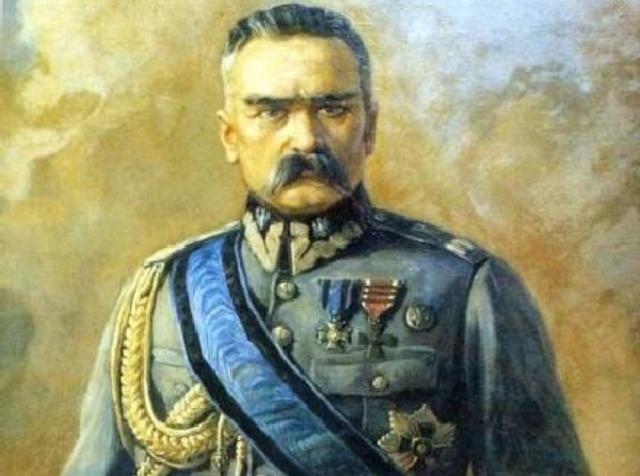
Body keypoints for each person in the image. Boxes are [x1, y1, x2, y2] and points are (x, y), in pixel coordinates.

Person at [64, 3, 589, 475]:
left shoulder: (465, 286)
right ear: (230, 135)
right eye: (270, 111)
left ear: (370, 128)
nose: (305, 139)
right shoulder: (159, 292)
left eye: (333, 109)